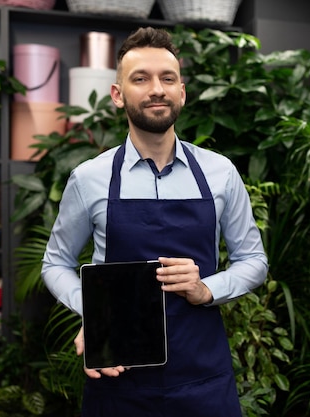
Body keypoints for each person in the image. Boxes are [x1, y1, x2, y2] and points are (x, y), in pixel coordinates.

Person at [41, 26, 268, 417]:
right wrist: (97, 314)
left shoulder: (221, 173)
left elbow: (254, 261)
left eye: (167, 78)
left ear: (182, 91)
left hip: (204, 380)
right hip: (118, 382)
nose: (156, 89)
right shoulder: (89, 178)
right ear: (118, 95)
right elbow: (54, 264)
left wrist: (205, 289)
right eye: (140, 79)